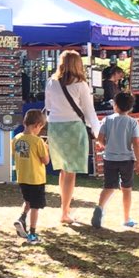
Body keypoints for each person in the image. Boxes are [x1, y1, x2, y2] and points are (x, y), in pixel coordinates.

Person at [44, 49, 101, 224]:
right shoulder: (81, 85)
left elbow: (48, 106)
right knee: (70, 173)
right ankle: (64, 212)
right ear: (78, 64)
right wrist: (98, 134)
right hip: (74, 128)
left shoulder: (51, 83)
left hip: (55, 128)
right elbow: (89, 112)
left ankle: (66, 209)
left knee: (63, 170)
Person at [92, 91, 139, 228]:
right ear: (131, 108)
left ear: (115, 105)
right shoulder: (133, 122)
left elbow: (100, 139)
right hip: (127, 159)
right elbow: (136, 142)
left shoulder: (107, 120)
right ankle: (126, 218)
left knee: (108, 186)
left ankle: (99, 208)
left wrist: (106, 146)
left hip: (109, 158)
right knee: (126, 189)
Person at [12, 109, 50, 243]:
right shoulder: (38, 141)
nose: (41, 130)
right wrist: (46, 149)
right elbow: (45, 161)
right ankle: (32, 234)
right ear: (37, 125)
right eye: (41, 127)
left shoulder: (16, 139)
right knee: (35, 206)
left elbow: (18, 155)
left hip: (22, 178)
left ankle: (21, 219)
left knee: (28, 201)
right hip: (36, 179)